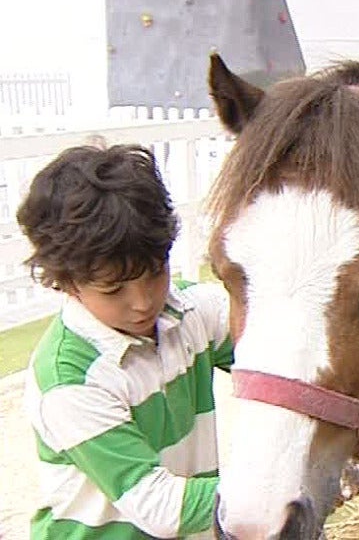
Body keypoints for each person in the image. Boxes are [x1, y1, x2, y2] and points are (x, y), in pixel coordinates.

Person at [16, 143, 233, 539]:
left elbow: (280, 359)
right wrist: (275, 493)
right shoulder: (70, 381)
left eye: (155, 272)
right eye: (113, 290)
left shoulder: (192, 311)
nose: (143, 302)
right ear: (66, 283)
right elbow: (159, 506)